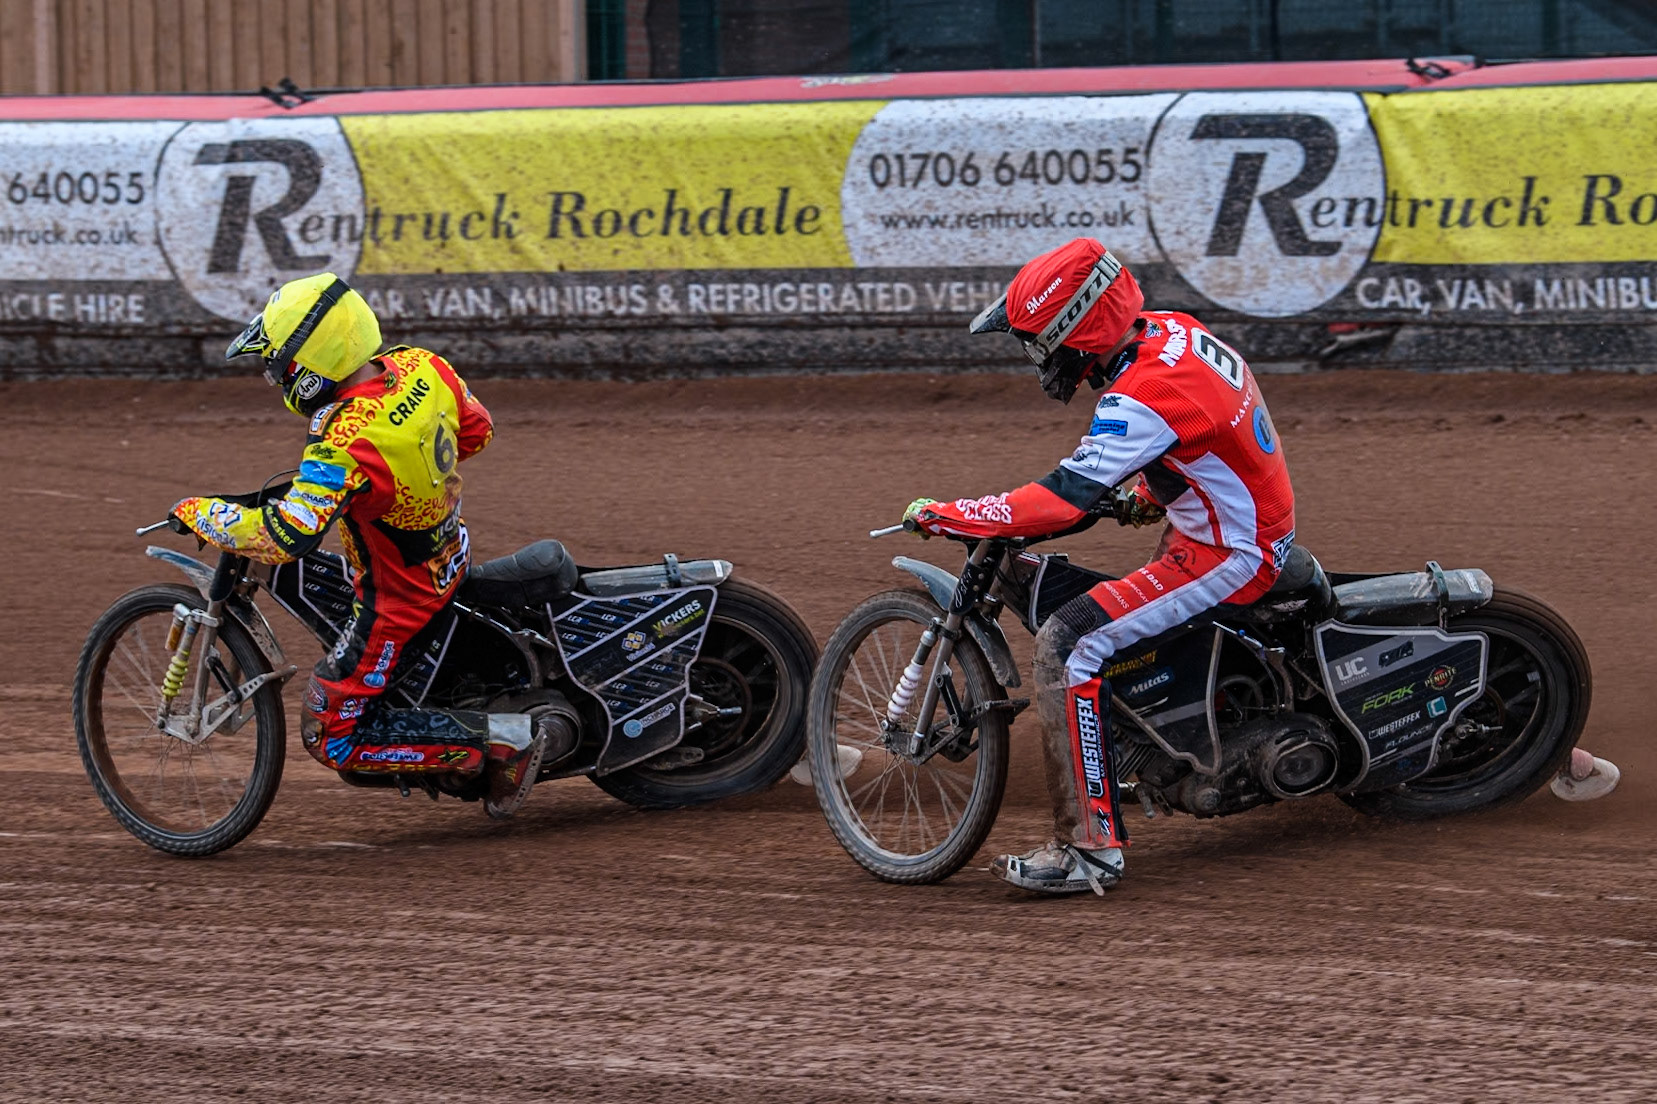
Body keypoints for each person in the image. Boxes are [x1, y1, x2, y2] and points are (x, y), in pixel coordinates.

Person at [901, 237, 1296, 895]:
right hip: (1226, 526)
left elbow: (1060, 500)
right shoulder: (1174, 332)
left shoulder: (1142, 393)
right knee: (1102, 619)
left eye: (1037, 343)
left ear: (1075, 331)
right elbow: (1203, 435)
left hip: (1226, 553)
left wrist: (953, 514)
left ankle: (1088, 849)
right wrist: (1148, 492)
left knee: (1069, 641)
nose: (1035, 359)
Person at [169, 272, 562, 819]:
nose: (273, 375)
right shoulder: (422, 365)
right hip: (449, 551)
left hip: (399, 598)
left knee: (326, 734)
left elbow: (286, 536)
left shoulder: (344, 440)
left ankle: (499, 742)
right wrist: (405, 477)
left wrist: (201, 512)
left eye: (277, 363)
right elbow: (476, 431)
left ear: (310, 361)